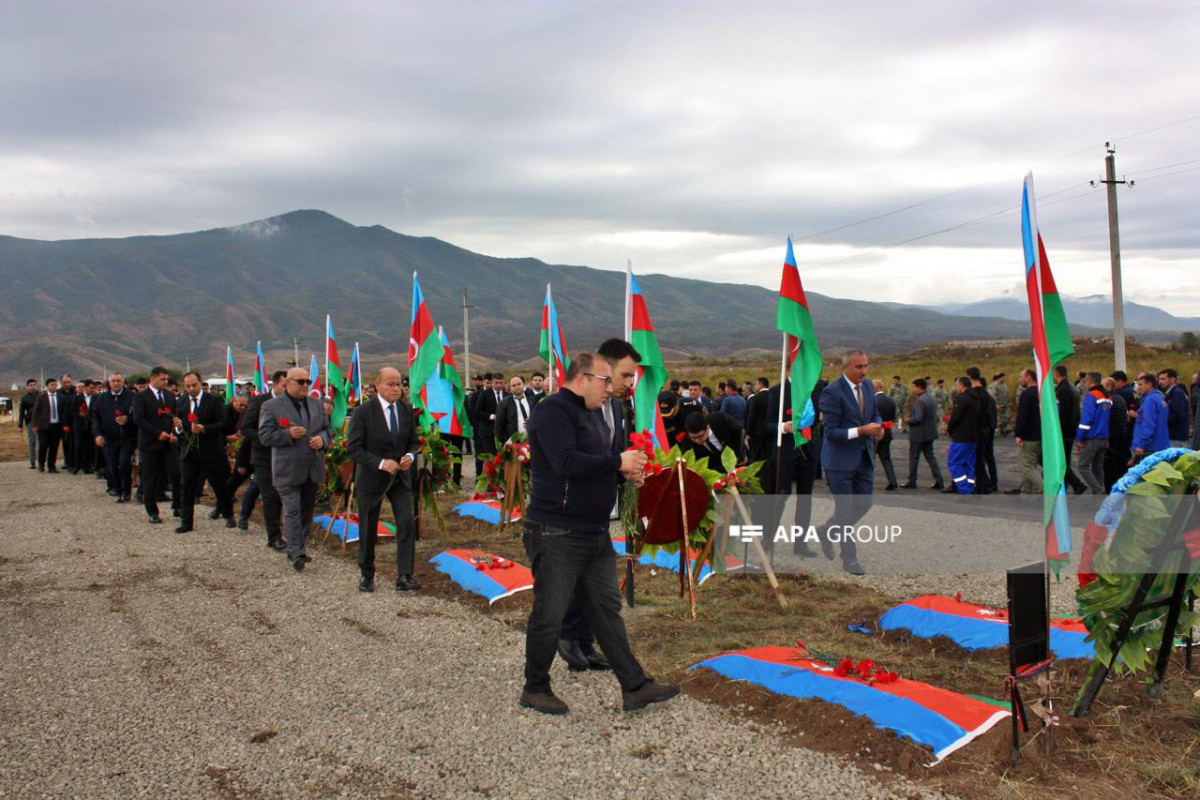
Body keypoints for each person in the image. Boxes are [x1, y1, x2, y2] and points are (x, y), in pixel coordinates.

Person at [519, 352, 678, 716]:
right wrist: (616, 462)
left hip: (593, 531)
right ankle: (535, 687)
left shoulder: (593, 415)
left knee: (606, 610)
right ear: (582, 378)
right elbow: (565, 462)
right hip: (557, 530)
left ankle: (634, 686)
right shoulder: (552, 411)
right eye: (606, 381)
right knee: (551, 612)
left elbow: (595, 465)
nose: (612, 389)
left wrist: (622, 473)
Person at [557, 337, 640, 673]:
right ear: (605, 368)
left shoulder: (618, 406)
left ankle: (584, 642)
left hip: (600, 505)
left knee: (593, 579)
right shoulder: (571, 408)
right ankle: (567, 638)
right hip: (570, 508)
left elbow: (613, 455)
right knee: (577, 577)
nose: (628, 384)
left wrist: (629, 472)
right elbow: (569, 460)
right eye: (624, 375)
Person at [347, 367, 419, 593]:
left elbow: (414, 442)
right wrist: (380, 463)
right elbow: (354, 449)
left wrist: (410, 456)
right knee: (368, 527)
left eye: (398, 384)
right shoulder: (363, 412)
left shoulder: (406, 410)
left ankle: (405, 575)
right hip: (372, 478)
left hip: (400, 478)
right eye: (390, 384)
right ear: (377, 384)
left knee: (407, 523)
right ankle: (366, 574)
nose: (395, 388)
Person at [258, 367, 332, 570]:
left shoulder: (316, 404)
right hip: (287, 468)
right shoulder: (271, 406)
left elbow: (328, 429)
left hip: (312, 467)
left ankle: (298, 547)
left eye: (307, 381)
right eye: (300, 382)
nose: (305, 385)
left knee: (306, 511)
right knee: (292, 509)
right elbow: (265, 436)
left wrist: (322, 440)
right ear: (287, 383)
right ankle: (297, 552)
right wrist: (288, 434)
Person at [815, 350, 880, 574]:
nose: (863, 371)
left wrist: (878, 428)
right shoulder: (832, 392)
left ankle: (827, 530)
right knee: (845, 510)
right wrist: (862, 430)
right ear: (845, 368)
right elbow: (831, 432)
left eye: (866, 365)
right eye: (858, 367)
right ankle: (850, 559)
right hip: (839, 461)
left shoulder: (869, 386)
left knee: (865, 502)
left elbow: (876, 413)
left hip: (863, 457)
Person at [171, 371, 231, 533]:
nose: (191, 388)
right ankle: (187, 522)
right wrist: (178, 427)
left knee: (219, 484)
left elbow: (223, 423)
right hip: (189, 451)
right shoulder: (181, 402)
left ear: (200, 383)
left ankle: (228, 513)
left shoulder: (214, 400)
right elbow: (178, 425)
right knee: (187, 486)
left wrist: (204, 428)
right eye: (188, 386)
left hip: (211, 451)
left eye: (194, 385)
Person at [241, 371, 288, 549]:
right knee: (269, 495)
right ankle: (274, 536)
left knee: (281, 496)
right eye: (285, 384)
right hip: (264, 456)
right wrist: (265, 439)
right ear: (275, 384)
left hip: (284, 456)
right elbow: (246, 427)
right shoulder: (260, 402)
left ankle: (283, 530)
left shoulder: (291, 404)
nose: (287, 388)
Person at [133, 367, 181, 524]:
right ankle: (152, 510)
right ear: (152, 379)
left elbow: (174, 416)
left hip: (169, 443)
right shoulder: (141, 397)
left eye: (166, 379)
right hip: (150, 444)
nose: (165, 382)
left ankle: (178, 505)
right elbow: (139, 419)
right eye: (162, 379)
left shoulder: (169, 396)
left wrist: (174, 432)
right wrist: (157, 433)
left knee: (176, 473)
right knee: (150, 478)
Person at [92, 373, 136, 501]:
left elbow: (139, 416)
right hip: (108, 437)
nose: (116, 383)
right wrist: (97, 435)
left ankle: (126, 491)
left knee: (123, 464)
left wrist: (128, 419)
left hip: (127, 438)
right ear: (109, 383)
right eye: (113, 381)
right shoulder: (101, 398)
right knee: (111, 464)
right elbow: (96, 418)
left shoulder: (132, 397)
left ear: (123, 382)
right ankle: (116, 488)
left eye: (118, 381)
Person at [900, 378, 944, 490]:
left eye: (914, 387)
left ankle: (912, 480)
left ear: (919, 387)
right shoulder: (931, 398)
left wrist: (908, 420)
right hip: (930, 433)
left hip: (919, 434)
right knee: (930, 457)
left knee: (914, 457)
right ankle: (939, 480)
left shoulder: (920, 401)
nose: (913, 389)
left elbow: (918, 418)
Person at [1073, 372, 1111, 495]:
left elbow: (1086, 420)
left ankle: (1099, 491)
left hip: (1092, 437)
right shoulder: (1107, 397)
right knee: (1098, 469)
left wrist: (1080, 438)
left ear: (1088, 381)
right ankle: (1099, 494)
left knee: (1082, 466)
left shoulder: (1091, 396)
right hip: (1104, 438)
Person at [1054, 365, 1087, 494]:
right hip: (1070, 429)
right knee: (1065, 460)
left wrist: (1057, 431)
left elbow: (1063, 413)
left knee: (1058, 461)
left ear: (1057, 374)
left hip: (1064, 431)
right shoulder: (1072, 387)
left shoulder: (1063, 390)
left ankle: (1076, 484)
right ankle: (1066, 485)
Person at [944, 377, 980, 495]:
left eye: (957, 385)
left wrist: (949, 429)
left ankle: (963, 488)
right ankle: (969, 486)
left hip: (961, 436)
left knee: (953, 462)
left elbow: (956, 417)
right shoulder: (976, 399)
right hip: (972, 436)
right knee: (968, 463)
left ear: (962, 385)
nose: (956, 388)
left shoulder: (963, 399)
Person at [1009, 369, 1043, 495]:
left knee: (1028, 467)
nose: (1020, 379)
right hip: (1039, 434)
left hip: (1028, 436)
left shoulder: (1027, 394)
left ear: (1029, 377)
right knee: (1031, 465)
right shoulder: (1041, 393)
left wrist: (1018, 434)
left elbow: (1022, 416)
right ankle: (1025, 492)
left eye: (1021, 376)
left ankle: (1046, 489)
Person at [1131, 372, 1169, 462]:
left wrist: (1142, 445)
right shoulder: (1160, 398)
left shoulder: (1150, 400)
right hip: (1161, 444)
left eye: (1141, 384)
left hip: (1150, 447)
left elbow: (1148, 424)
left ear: (1149, 384)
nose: (1138, 387)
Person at [1101, 377, 1130, 492]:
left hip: (1112, 437)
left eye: (1102, 385)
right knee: (1119, 466)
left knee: (1110, 468)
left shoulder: (1109, 399)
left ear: (1108, 387)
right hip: (1121, 435)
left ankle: (1111, 491)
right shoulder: (1120, 398)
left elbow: (1104, 418)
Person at [31, 377, 65, 473]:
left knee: (54, 447)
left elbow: (63, 412)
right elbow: (35, 412)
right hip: (44, 426)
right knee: (43, 445)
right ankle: (41, 464)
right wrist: (35, 425)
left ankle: (52, 466)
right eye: (52, 385)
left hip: (57, 426)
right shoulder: (41, 397)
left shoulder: (61, 398)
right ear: (47, 386)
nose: (54, 386)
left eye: (55, 384)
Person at [872, 380, 898, 490]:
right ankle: (892, 480)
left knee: (869, 458)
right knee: (886, 458)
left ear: (876, 388)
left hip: (874, 432)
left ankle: (865, 480)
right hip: (887, 432)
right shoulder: (891, 400)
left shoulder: (872, 401)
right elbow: (893, 417)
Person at [494, 375, 534, 448]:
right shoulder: (504, 403)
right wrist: (499, 444)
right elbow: (499, 425)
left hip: (531, 440)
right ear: (510, 388)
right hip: (513, 443)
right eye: (514, 385)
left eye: (519, 384)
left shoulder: (532, 400)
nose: (517, 387)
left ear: (524, 385)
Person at [1158, 369, 1190, 447]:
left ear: (1172, 379)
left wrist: (1161, 420)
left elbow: (1178, 414)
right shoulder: (1169, 393)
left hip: (1176, 437)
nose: (1160, 382)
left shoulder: (1177, 393)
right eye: (1159, 379)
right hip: (1172, 436)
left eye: (1163, 379)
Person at [17, 378, 39, 469]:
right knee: (32, 442)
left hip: (41, 421)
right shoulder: (24, 398)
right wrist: (20, 425)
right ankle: (32, 463)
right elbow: (21, 412)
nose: (33, 387)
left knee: (43, 442)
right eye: (31, 385)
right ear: (27, 387)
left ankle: (41, 462)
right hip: (30, 421)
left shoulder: (41, 395)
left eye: (34, 385)